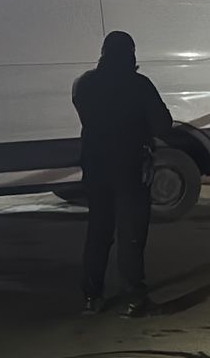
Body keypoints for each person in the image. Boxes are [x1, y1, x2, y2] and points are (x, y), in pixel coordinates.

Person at [72, 31, 173, 317]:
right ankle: (133, 298)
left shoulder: (86, 83)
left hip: (95, 166)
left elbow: (84, 112)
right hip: (130, 166)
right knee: (131, 234)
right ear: (131, 53)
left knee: (98, 232)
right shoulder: (139, 84)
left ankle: (92, 296)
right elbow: (162, 124)